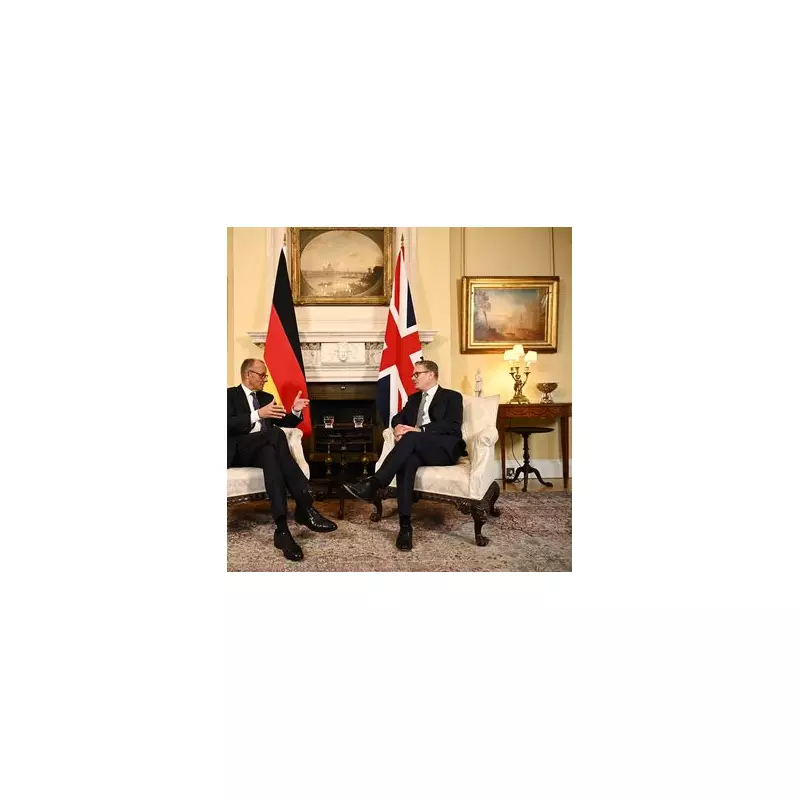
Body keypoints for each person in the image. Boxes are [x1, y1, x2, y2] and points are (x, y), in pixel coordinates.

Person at [343, 360, 465, 551]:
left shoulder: (452, 397)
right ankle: (405, 527)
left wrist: (420, 430)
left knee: (410, 437)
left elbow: (452, 426)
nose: (412, 378)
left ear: (431, 374)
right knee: (407, 461)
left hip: (443, 449)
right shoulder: (414, 399)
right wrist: (398, 426)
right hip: (417, 449)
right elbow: (398, 417)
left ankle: (374, 484)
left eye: (417, 374)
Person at [228, 358, 337, 561]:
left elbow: (284, 421)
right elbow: (227, 424)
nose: (265, 379)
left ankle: (282, 530)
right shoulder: (229, 395)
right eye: (262, 375)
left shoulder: (266, 397)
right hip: (238, 451)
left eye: (265, 376)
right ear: (248, 375)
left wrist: (295, 410)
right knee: (276, 435)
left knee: (270, 452)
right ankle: (305, 503)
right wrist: (257, 414)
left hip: (262, 450)